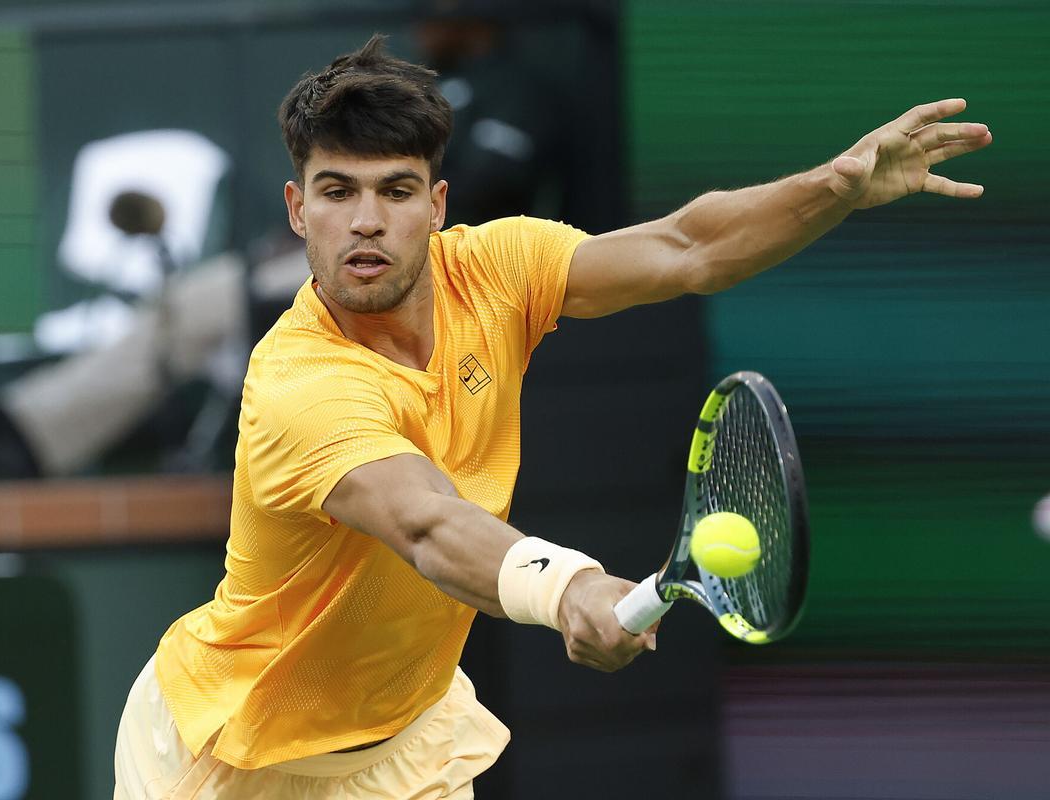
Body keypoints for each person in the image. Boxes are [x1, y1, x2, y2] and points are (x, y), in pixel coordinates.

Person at [112, 34, 991, 799]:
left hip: (405, 748)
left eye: (396, 191)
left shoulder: (495, 270)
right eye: (337, 192)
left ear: (437, 205)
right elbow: (426, 523)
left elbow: (689, 246)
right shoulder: (298, 382)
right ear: (298, 210)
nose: (367, 223)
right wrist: (570, 589)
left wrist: (833, 188)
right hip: (229, 759)